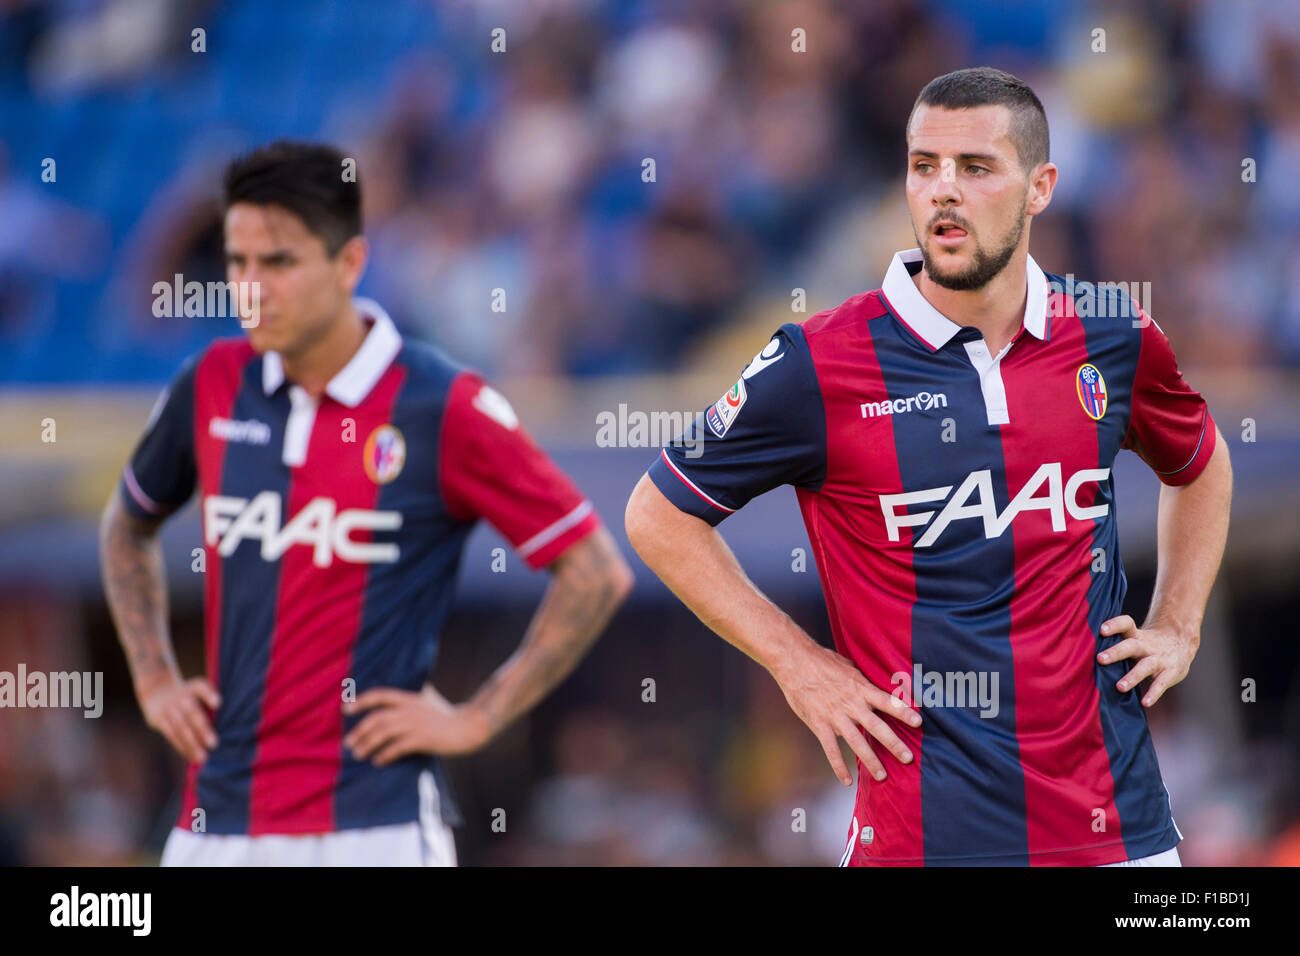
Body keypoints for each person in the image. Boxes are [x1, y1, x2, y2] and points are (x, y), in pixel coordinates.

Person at [625, 67, 1233, 866]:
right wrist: (798, 663)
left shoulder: (1113, 331)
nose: (943, 190)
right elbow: (657, 512)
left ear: (1040, 186)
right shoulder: (817, 363)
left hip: (1120, 838)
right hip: (918, 843)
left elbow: (1200, 459)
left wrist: (1178, 626)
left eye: (975, 168)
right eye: (924, 166)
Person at [100, 140, 633, 866]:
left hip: (373, 827)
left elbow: (596, 570)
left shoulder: (442, 403)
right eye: (238, 262)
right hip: (216, 823)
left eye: (279, 262)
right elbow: (127, 525)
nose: (250, 288)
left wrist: (480, 716)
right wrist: (154, 676)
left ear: (349, 263)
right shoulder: (212, 383)